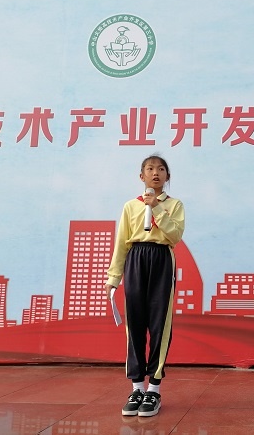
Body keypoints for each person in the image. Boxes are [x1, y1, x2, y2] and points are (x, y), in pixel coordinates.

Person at [105, 154, 185, 417]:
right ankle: (137, 387)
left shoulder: (174, 205)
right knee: (135, 324)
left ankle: (154, 389)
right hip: (135, 259)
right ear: (142, 176)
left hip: (162, 259)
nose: (155, 173)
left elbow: (175, 235)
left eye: (161, 169)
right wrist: (113, 278)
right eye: (150, 169)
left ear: (167, 176)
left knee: (160, 324)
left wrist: (157, 208)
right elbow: (121, 242)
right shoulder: (130, 206)